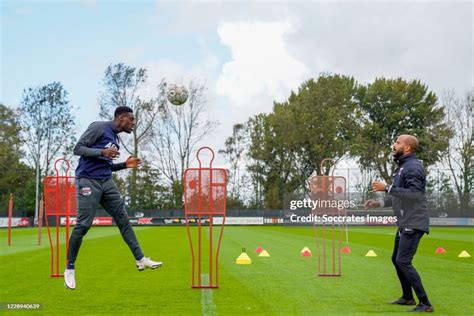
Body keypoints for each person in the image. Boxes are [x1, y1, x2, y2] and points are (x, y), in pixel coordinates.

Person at [64, 106, 162, 290]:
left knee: (123, 219)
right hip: (88, 181)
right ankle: (70, 268)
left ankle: (140, 259)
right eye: (131, 119)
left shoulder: (115, 138)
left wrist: (125, 165)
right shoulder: (99, 127)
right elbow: (78, 149)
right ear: (121, 118)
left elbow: (106, 166)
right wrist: (102, 152)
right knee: (83, 225)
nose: (133, 123)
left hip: (106, 182)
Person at [364, 134, 433, 313]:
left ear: (407, 148)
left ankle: (425, 303)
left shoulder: (413, 167)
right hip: (405, 221)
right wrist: (378, 203)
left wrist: (387, 187)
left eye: (397, 143)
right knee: (397, 259)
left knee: (403, 261)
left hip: (414, 220)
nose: (393, 145)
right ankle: (408, 298)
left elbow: (414, 194)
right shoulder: (403, 167)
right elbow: (399, 195)